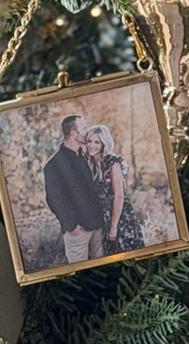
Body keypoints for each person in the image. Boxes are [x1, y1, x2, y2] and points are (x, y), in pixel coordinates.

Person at [42, 113, 104, 264]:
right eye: (84, 128)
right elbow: (53, 198)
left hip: (96, 226)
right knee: (81, 275)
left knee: (104, 271)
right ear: (73, 133)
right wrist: (71, 225)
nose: (87, 131)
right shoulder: (53, 165)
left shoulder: (83, 156)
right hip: (78, 232)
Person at [84, 123, 144, 254]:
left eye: (96, 142)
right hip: (98, 217)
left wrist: (113, 227)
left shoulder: (112, 162)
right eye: (89, 141)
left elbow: (119, 196)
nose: (91, 145)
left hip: (118, 216)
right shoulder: (88, 162)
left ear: (104, 144)